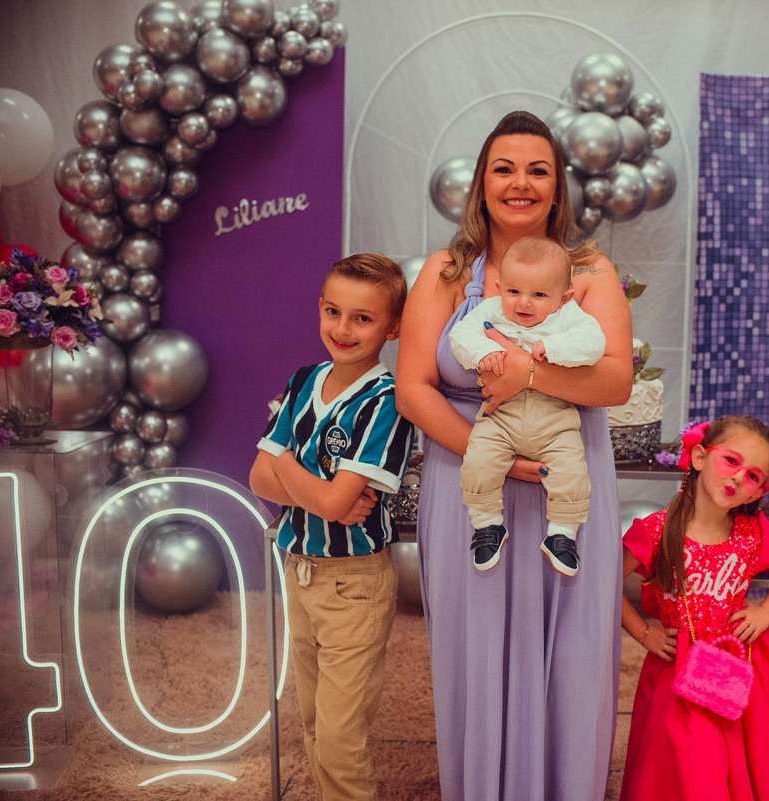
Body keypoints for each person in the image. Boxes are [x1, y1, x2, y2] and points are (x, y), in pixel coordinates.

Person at [396, 110, 632, 801]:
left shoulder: (589, 271)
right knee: (473, 649)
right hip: (469, 475)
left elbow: (615, 381)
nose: (520, 183)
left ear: (558, 188)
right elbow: (414, 388)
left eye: (538, 170)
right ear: (482, 183)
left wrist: (528, 373)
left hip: (566, 475)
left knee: (572, 653)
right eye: (504, 169)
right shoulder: (446, 272)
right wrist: (490, 455)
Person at [249, 253, 415, 801]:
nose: (343, 329)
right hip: (299, 570)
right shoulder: (303, 381)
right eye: (333, 312)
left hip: (355, 582)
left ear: (393, 327)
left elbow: (327, 495)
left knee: (341, 739)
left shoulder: (386, 402)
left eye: (363, 318)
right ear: (320, 308)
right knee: (315, 724)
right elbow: (258, 479)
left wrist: (286, 463)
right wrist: (321, 498)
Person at [619, 416, 769, 801]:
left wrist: (765, 613)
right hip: (680, 666)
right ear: (700, 457)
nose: (737, 477)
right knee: (693, 758)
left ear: (757, 492)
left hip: (741, 660)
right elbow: (603, 586)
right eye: (731, 461)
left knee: (746, 752)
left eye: (752, 476)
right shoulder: (656, 531)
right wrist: (643, 631)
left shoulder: (753, 534)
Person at [449, 234, 606, 575]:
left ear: (563, 298)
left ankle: (562, 534)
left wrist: (556, 349)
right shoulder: (490, 311)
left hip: (555, 419)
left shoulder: (568, 317)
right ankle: (487, 524)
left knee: (571, 471)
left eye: (539, 295)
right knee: (478, 461)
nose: (524, 303)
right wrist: (484, 352)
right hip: (500, 417)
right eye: (514, 291)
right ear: (498, 287)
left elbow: (594, 343)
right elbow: (460, 337)